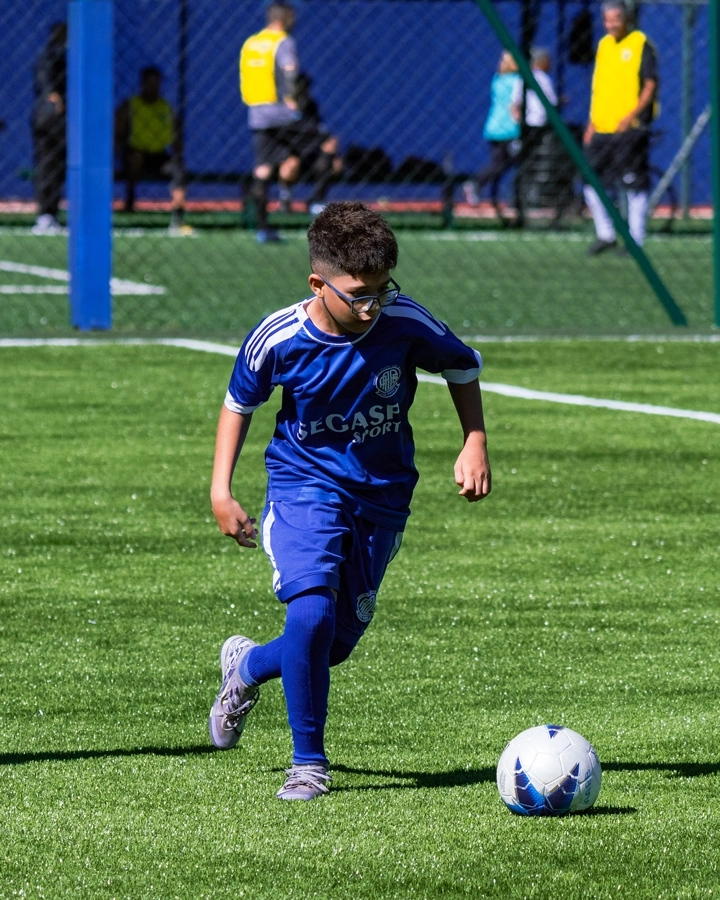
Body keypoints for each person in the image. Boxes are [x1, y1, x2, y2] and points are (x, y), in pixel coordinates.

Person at [208, 201, 491, 800]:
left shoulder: (404, 321)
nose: (372, 307)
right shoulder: (279, 337)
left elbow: (462, 367)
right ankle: (308, 763)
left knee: (331, 645)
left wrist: (474, 442)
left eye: (382, 292)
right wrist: (220, 489)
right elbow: (240, 404)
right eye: (360, 294)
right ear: (318, 284)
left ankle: (249, 667)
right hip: (303, 484)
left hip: (383, 494)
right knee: (310, 613)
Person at [583, 0, 658, 255]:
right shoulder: (604, 45)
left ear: (626, 19)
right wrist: (592, 122)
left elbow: (649, 85)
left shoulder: (640, 43)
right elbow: (600, 87)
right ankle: (606, 234)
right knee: (590, 181)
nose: (611, 24)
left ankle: (635, 241)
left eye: (615, 19)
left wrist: (632, 115)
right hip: (602, 126)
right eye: (607, 20)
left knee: (633, 185)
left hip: (630, 127)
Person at [115, 66, 192, 235]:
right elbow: (118, 134)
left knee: (178, 169)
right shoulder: (130, 105)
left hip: (159, 156)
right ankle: (130, 200)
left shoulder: (165, 108)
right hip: (135, 153)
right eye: (149, 83)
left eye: (157, 83)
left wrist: (178, 156)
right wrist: (115, 158)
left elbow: (176, 137)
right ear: (142, 84)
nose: (153, 87)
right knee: (135, 157)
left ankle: (178, 217)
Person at [462, 51, 521, 217]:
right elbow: (515, 105)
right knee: (507, 163)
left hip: (494, 126)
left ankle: (482, 187)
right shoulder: (517, 81)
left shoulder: (498, 79)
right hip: (509, 128)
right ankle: (477, 184)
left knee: (499, 163)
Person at [277, 71, 343, 217]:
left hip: (311, 152)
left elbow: (317, 130)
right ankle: (285, 200)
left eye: (305, 87)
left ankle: (316, 200)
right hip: (290, 152)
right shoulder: (280, 107)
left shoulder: (310, 105)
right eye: (298, 86)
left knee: (333, 156)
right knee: (290, 165)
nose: (302, 90)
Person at [510, 47, 558, 227]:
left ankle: (520, 202)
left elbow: (514, 106)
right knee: (538, 163)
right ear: (541, 62)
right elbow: (551, 103)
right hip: (539, 127)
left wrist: (519, 122)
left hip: (525, 127)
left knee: (524, 165)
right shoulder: (543, 78)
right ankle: (536, 195)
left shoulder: (521, 78)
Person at [31, 23, 67, 235]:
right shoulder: (53, 54)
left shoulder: (61, 54)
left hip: (51, 116)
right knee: (49, 165)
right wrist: (53, 96)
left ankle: (49, 213)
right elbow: (47, 84)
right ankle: (46, 214)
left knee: (53, 166)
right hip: (51, 117)